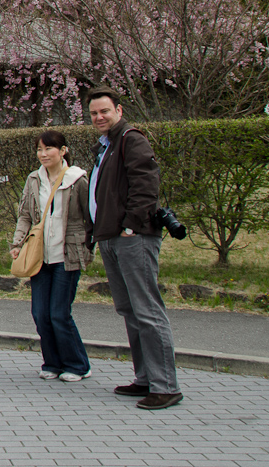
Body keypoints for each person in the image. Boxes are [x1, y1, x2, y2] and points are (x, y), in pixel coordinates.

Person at [87, 86, 182, 409]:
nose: (99, 117)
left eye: (105, 111)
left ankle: (165, 386)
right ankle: (145, 378)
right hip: (111, 237)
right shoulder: (106, 146)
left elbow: (146, 183)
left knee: (147, 310)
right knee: (129, 310)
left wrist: (130, 225)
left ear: (119, 110)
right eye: (94, 113)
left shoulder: (131, 139)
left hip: (133, 237)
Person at [11, 130, 93, 382]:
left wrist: (88, 248)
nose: (43, 154)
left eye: (49, 148)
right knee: (40, 314)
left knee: (59, 313)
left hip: (67, 255)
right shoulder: (34, 179)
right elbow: (25, 213)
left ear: (63, 151)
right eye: (39, 149)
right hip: (40, 255)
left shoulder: (77, 180)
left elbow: (90, 217)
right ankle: (53, 362)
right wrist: (17, 243)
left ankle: (78, 364)